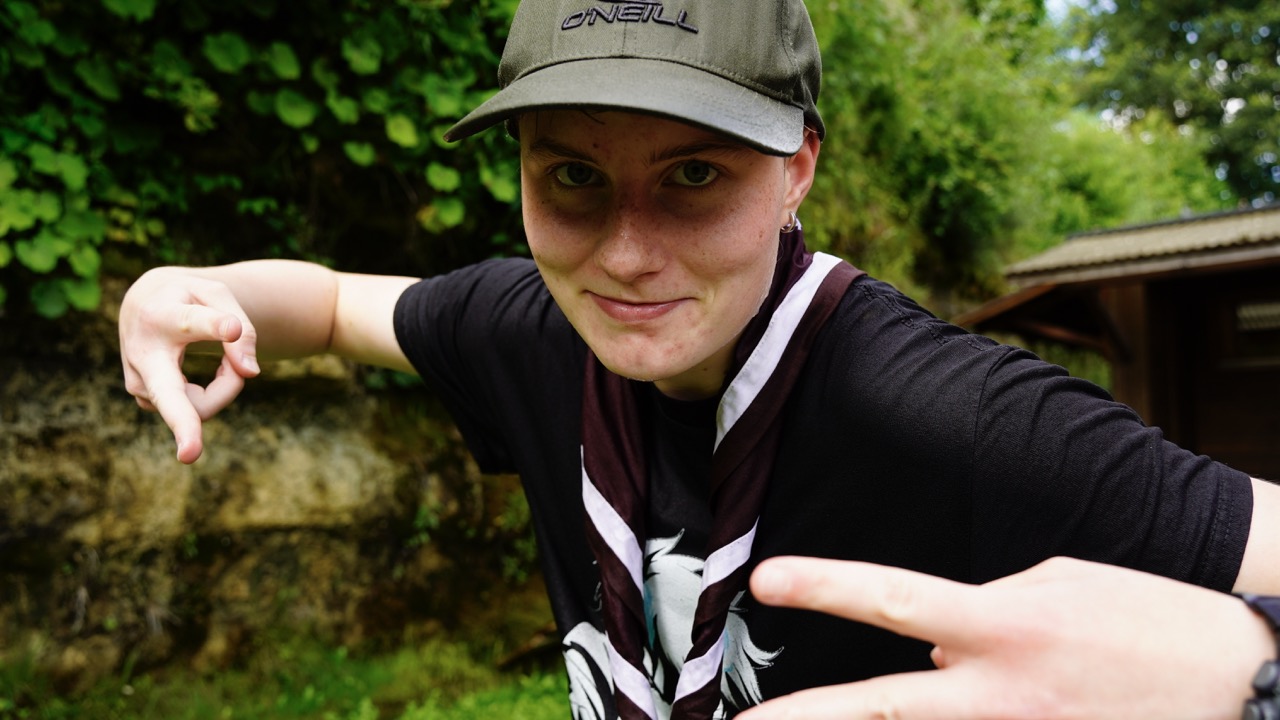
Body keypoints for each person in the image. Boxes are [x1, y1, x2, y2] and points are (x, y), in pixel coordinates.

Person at [118, 0, 1280, 718]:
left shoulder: (944, 412)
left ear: (797, 168)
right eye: (571, 175)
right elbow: (329, 306)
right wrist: (192, 292)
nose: (625, 255)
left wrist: (1252, 673)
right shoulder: (530, 329)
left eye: (693, 174)